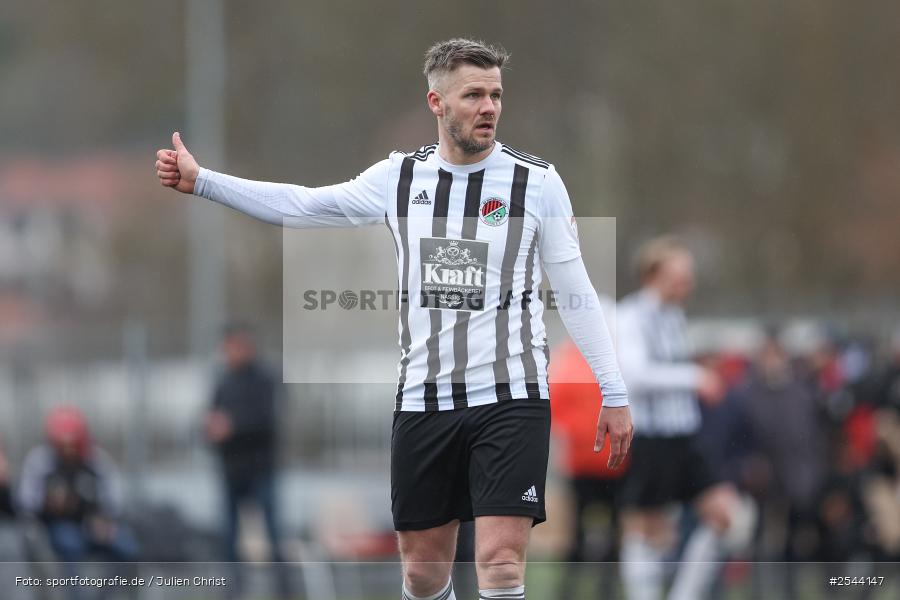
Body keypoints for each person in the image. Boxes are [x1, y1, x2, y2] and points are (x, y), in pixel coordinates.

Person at [156, 38, 632, 600]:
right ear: (436, 102)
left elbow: (577, 290)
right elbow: (305, 206)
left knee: (501, 563)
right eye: (473, 94)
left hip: (512, 396)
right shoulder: (399, 178)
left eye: (496, 95)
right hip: (424, 401)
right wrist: (205, 181)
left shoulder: (538, 183)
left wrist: (614, 389)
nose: (489, 107)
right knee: (422, 573)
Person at [616, 236, 752, 600]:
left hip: (686, 437)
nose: (687, 283)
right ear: (654, 274)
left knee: (726, 516)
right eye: (681, 275)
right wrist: (696, 377)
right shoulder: (630, 316)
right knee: (647, 530)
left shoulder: (675, 317)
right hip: (653, 438)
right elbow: (635, 374)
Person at [206, 323, 289, 597]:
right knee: (229, 540)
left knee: (272, 535)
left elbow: (267, 422)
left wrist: (233, 427)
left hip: (261, 470)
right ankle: (232, 592)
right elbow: (211, 419)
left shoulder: (265, 380)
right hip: (230, 471)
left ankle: (283, 590)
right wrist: (210, 430)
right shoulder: (223, 381)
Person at [549, 335, 629, 597]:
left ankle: (593, 588)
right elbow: (555, 407)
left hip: (606, 462)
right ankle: (577, 588)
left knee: (602, 531)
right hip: (589, 462)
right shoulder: (584, 361)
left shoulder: (609, 360)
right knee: (584, 532)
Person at [17, 406, 137, 564]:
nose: (68, 449)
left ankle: (111, 588)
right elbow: (26, 502)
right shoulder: (40, 462)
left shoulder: (96, 461)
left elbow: (113, 499)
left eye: (73, 443)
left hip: (93, 524)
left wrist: (105, 519)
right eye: (63, 444)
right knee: (71, 544)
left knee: (126, 546)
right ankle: (74, 588)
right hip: (59, 525)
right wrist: (50, 504)